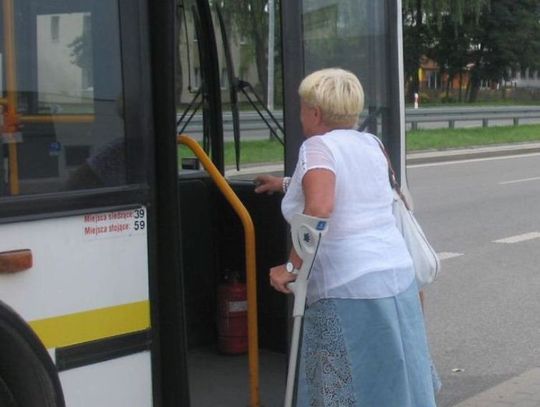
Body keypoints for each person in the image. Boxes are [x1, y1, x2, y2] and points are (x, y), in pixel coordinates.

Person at [255, 68, 439, 406]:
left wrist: (291, 268)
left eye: (301, 107)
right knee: (392, 384)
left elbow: (321, 207)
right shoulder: (373, 144)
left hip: (347, 289)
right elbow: (356, 187)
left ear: (315, 112)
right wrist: (283, 184)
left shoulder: (316, 147)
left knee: (340, 389)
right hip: (397, 280)